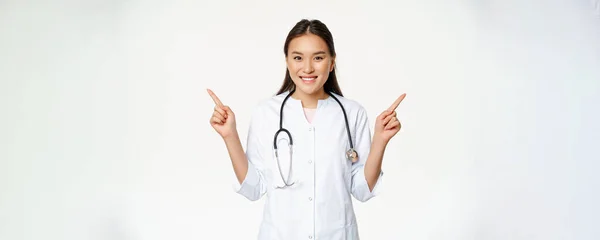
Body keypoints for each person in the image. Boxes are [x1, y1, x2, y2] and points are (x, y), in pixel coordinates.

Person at [207, 19, 405, 240]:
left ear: (331, 62)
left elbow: (362, 190)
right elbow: (254, 188)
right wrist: (230, 136)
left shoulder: (352, 113)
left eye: (318, 58)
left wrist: (380, 140)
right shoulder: (266, 113)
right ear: (287, 62)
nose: (308, 68)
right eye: (298, 57)